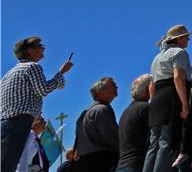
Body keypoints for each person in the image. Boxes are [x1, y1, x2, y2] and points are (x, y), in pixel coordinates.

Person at [1, 37, 73, 172]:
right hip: (19, 122)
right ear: (30, 51)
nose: (43, 48)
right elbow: (44, 89)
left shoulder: (8, 74)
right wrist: (61, 73)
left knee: (6, 162)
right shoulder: (32, 66)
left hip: (6, 122)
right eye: (40, 46)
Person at [144, 24, 192, 172]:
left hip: (157, 101)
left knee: (153, 145)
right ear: (179, 39)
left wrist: (154, 104)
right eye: (187, 37)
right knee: (167, 142)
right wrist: (185, 104)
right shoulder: (180, 53)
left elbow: (151, 86)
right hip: (171, 98)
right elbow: (178, 77)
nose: (188, 40)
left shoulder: (156, 58)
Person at [73, 77, 120, 171]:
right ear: (99, 92)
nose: (117, 87)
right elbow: (115, 139)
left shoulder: (85, 113)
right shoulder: (102, 110)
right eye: (112, 85)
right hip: (101, 163)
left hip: (84, 164)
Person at [116, 74, 152, 172]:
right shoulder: (145, 108)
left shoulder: (126, 111)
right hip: (137, 165)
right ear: (149, 89)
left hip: (122, 165)